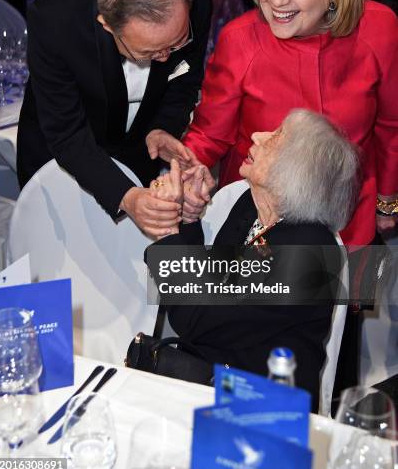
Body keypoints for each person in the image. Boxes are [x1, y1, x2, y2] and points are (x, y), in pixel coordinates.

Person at [179, 0, 398, 249]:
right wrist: (186, 173)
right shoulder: (240, 38)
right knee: (262, 303)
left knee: (354, 301)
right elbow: (209, 135)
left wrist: (388, 199)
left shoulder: (380, 27)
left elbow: (390, 125)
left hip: (353, 221)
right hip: (257, 227)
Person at [148, 109, 361, 411]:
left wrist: (167, 230)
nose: (257, 136)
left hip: (263, 408)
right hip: (211, 380)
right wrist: (188, 217)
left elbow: (193, 319)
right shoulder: (251, 206)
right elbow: (206, 284)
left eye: (275, 139)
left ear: (296, 171)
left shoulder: (308, 256)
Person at [17, 0, 211, 237]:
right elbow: (66, 133)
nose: (165, 57)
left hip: (136, 151)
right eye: (148, 53)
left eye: (177, 42)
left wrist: (162, 128)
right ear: (106, 26)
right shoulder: (53, 20)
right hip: (61, 161)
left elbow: (185, 80)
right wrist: (125, 196)